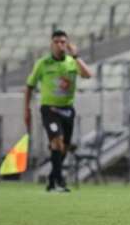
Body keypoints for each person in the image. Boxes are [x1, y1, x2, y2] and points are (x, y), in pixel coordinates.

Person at [24, 30, 93, 192]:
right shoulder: (43, 64)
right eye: (56, 42)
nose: (60, 45)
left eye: (63, 42)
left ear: (67, 44)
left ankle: (52, 179)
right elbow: (29, 86)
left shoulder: (71, 62)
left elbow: (88, 74)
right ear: (51, 44)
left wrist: (76, 56)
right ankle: (59, 181)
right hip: (49, 109)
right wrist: (26, 109)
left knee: (63, 148)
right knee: (57, 141)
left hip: (67, 110)